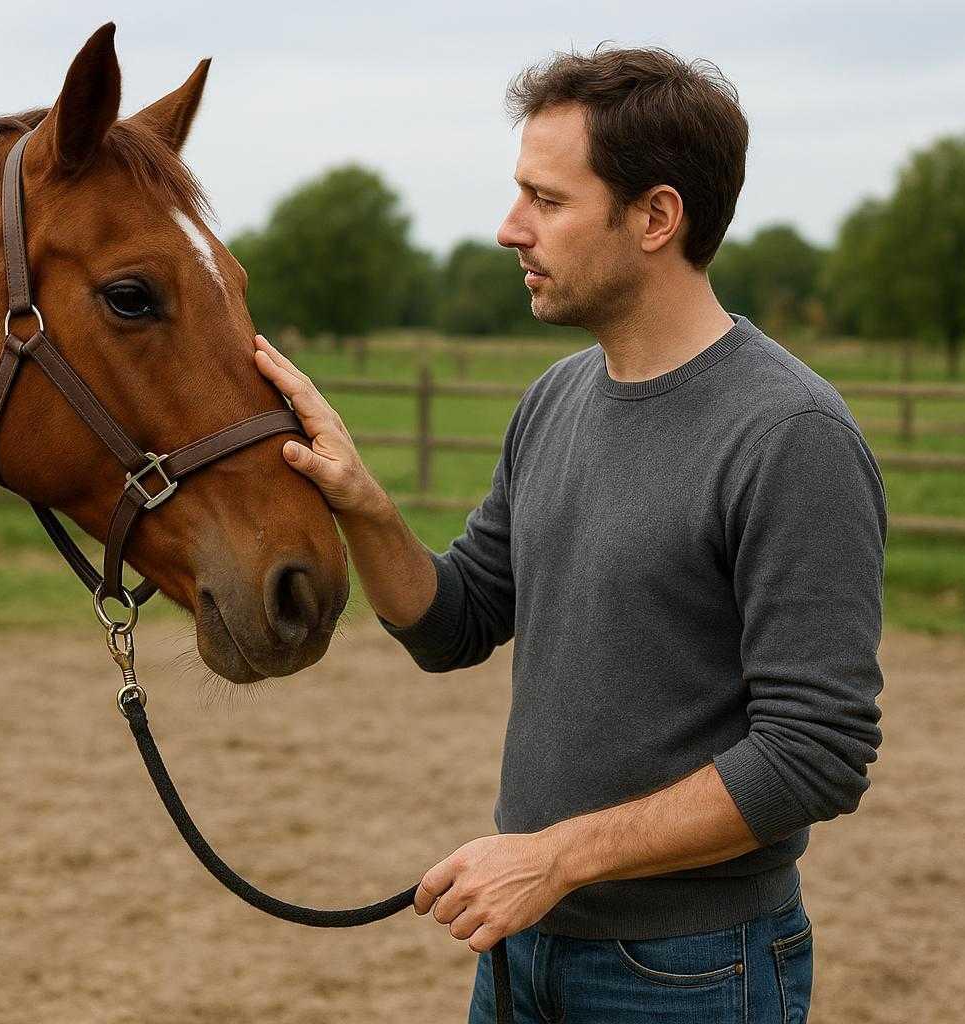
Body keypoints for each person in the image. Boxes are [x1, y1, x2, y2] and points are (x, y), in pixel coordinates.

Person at [251, 45, 886, 1024]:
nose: (511, 229)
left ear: (656, 217)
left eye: (546, 201)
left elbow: (814, 752)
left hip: (693, 972)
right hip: (524, 944)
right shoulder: (554, 400)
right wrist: (362, 503)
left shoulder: (791, 437)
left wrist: (553, 857)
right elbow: (453, 622)